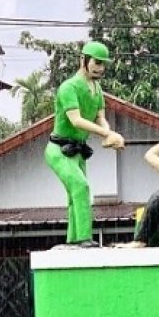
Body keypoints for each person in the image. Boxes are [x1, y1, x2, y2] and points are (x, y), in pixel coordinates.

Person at [46, 40, 125, 249]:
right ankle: (84, 238)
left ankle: (73, 239)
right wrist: (107, 133)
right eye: (97, 62)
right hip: (59, 150)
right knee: (81, 187)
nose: (100, 68)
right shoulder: (68, 87)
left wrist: (108, 134)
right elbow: (76, 120)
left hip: (78, 151)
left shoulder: (97, 89)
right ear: (83, 60)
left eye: (103, 64)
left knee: (75, 195)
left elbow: (101, 118)